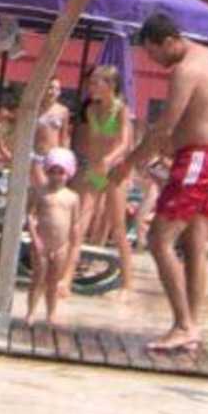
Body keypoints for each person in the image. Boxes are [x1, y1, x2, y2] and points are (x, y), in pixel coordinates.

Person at [117, 12, 208, 354]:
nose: (154, 61)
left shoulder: (186, 70)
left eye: (153, 53)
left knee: (159, 239)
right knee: (196, 242)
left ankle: (184, 325)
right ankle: (191, 325)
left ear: (169, 41)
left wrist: (128, 163)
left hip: (199, 159)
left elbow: (165, 126)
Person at [76, 63, 134, 291]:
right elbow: (92, 143)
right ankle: (65, 277)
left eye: (95, 83)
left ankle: (128, 283)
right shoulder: (91, 110)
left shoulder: (121, 110)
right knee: (80, 223)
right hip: (95, 169)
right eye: (90, 83)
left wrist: (108, 160)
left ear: (110, 85)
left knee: (118, 229)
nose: (90, 87)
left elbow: (125, 143)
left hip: (113, 172)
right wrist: (89, 167)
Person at [28, 148, 82, 326]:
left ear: (69, 173)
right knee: (38, 278)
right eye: (53, 172)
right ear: (47, 171)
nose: (57, 176)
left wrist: (74, 244)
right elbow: (30, 216)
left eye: (61, 172)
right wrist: (35, 239)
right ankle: (31, 312)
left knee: (53, 282)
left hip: (61, 246)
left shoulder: (72, 197)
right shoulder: (40, 192)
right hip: (42, 243)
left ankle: (51, 313)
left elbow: (75, 223)